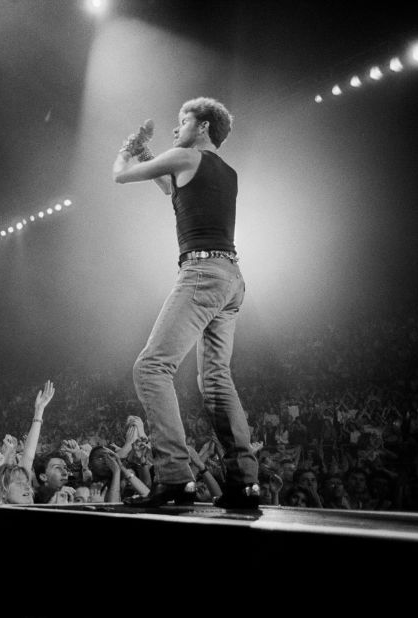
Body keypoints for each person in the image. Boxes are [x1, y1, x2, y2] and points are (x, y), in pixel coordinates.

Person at [113, 97, 259, 508]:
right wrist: (148, 152)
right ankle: (245, 482)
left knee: (152, 367)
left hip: (202, 273)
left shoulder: (185, 156)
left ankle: (176, 478)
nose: (176, 129)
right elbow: (171, 188)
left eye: (183, 121)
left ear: (205, 127)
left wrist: (130, 147)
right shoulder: (226, 172)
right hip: (232, 280)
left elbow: (120, 175)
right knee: (215, 380)